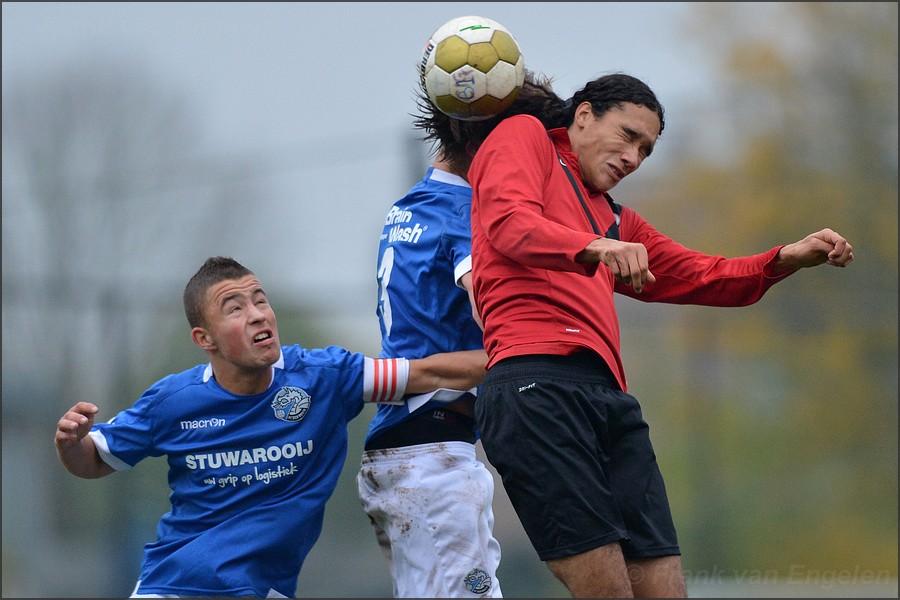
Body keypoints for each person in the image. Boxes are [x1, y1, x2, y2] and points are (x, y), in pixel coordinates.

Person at [467, 73, 855, 598]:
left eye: (646, 150)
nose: (634, 158)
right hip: (534, 389)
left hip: (608, 401)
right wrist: (597, 250)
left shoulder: (614, 218)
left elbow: (704, 273)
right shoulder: (525, 136)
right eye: (627, 136)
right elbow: (509, 224)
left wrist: (784, 258)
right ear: (583, 115)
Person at [54, 256, 488, 599]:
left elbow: (427, 374)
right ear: (205, 339)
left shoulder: (323, 377)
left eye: (260, 300)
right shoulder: (173, 401)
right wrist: (70, 443)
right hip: (176, 586)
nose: (258, 314)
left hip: (266, 588)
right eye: (235, 308)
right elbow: (95, 459)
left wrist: (524, 354)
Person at [355, 75, 561, 598]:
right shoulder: (467, 215)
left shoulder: (410, 207)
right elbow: (496, 317)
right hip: (434, 457)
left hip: (401, 449)